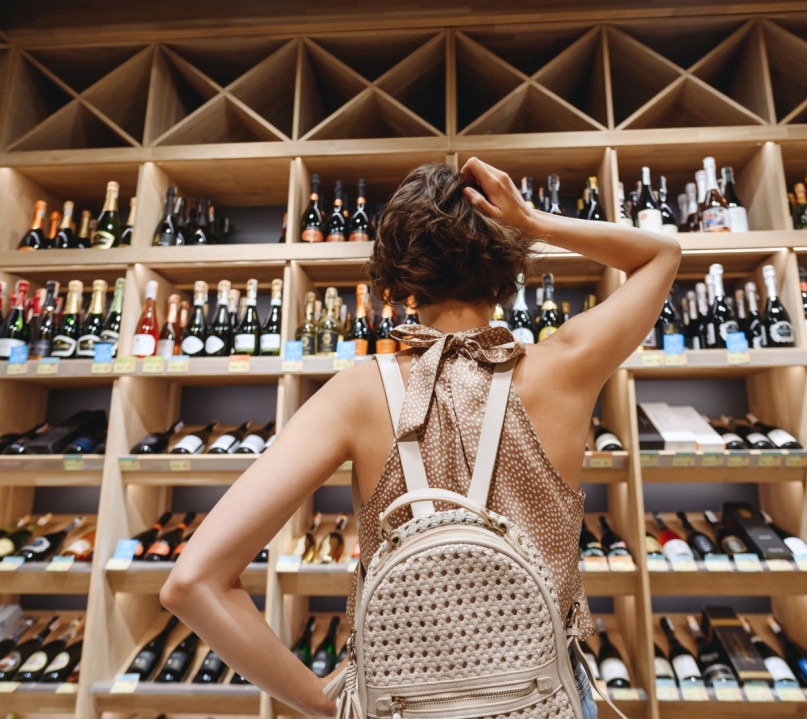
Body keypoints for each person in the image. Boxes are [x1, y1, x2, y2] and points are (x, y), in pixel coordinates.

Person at [161, 158, 681, 717]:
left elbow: (192, 583)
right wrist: (532, 221)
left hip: (404, 702)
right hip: (544, 695)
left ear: (395, 280)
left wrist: (317, 701)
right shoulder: (567, 366)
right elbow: (660, 254)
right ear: (511, 265)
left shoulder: (356, 394)